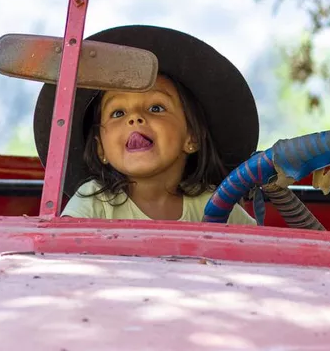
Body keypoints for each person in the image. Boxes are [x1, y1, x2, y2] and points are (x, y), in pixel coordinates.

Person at [32, 25, 258, 225]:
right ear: (101, 148)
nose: (135, 118)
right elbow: (66, 257)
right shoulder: (93, 202)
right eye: (118, 112)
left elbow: (256, 253)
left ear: (192, 137)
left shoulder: (214, 205)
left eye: (156, 108)